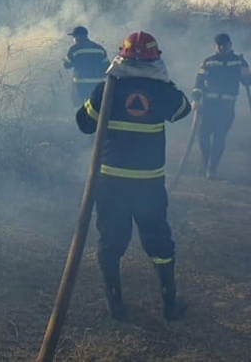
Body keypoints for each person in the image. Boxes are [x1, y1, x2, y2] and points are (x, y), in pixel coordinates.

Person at [75, 31, 191, 321]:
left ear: (121, 57)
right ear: (155, 59)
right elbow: (182, 109)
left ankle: (114, 304)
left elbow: (84, 123)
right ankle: (169, 304)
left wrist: (104, 94)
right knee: (159, 241)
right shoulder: (162, 91)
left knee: (111, 241)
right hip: (148, 185)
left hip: (110, 183)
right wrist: (164, 82)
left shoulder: (108, 88)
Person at [191, 33, 251, 179]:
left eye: (224, 45)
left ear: (230, 45)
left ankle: (212, 169)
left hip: (226, 107)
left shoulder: (239, 62)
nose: (221, 48)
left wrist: (246, 74)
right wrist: (196, 99)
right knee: (203, 136)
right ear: (215, 46)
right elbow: (199, 82)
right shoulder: (208, 62)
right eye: (218, 45)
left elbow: (248, 82)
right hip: (208, 106)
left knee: (219, 138)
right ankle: (205, 163)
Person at [63, 26, 109, 107]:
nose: (73, 39)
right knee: (95, 106)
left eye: (73, 37)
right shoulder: (99, 49)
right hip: (97, 84)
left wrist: (67, 60)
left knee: (79, 106)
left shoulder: (74, 49)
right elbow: (107, 66)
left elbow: (66, 65)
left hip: (80, 84)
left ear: (77, 37)